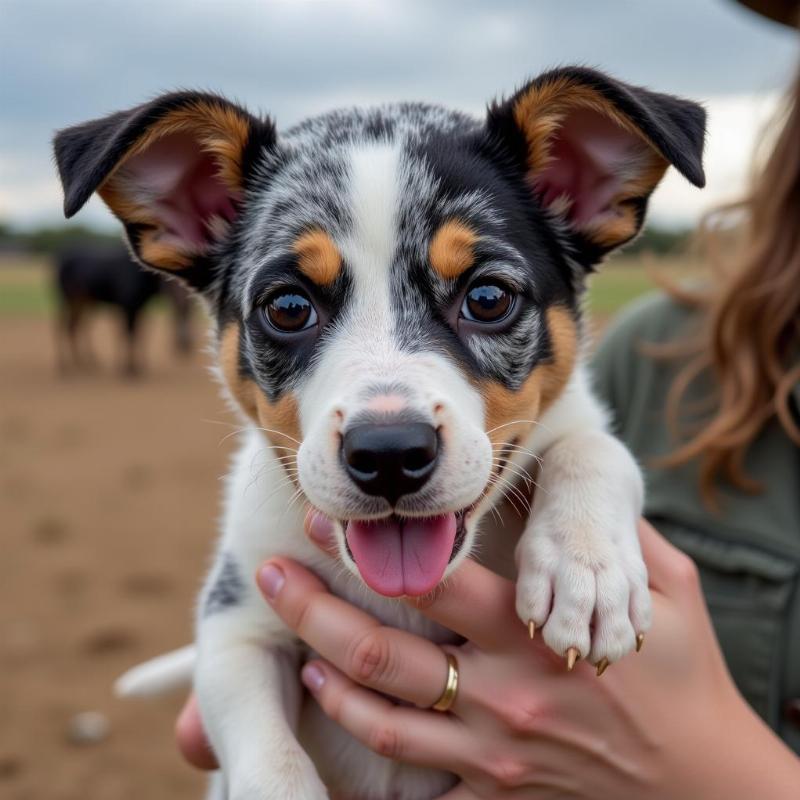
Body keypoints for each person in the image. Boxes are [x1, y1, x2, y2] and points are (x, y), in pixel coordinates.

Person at [176, 0, 800, 794]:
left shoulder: (587, 430)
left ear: (580, 187)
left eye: (486, 299)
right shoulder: (669, 352)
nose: (388, 419)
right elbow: (231, 660)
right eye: (291, 310)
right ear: (192, 220)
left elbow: (589, 451)